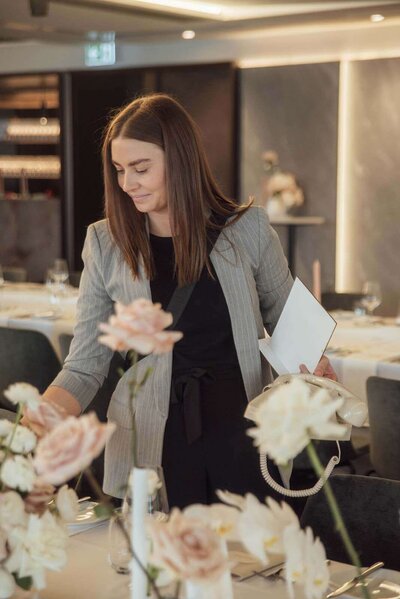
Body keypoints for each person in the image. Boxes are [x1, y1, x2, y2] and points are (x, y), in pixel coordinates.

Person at [24, 93, 336, 510]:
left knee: (251, 564)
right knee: (161, 567)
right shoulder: (106, 242)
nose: (127, 183)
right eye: (119, 170)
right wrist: (42, 414)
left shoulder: (247, 229)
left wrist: (316, 364)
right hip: (151, 439)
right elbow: (85, 364)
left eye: (141, 168)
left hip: (242, 432)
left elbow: (290, 324)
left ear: (180, 159)